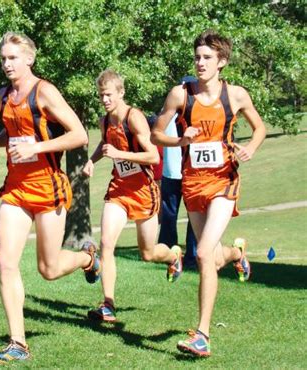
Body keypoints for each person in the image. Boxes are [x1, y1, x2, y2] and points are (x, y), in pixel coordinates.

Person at [0, 32, 100, 363]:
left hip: (49, 187)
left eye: (13, 58)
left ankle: (88, 259)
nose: (6, 64)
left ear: (29, 59)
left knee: (48, 268)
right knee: (5, 262)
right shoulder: (3, 95)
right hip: (16, 189)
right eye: (3, 58)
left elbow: (79, 134)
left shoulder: (45, 91)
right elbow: (13, 135)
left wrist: (38, 147)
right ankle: (18, 342)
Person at [152, 30, 266, 357]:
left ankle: (202, 335)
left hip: (224, 181)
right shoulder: (180, 95)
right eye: (197, 57)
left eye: (207, 58)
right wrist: (181, 141)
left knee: (201, 254)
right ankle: (235, 255)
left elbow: (259, 128)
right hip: (193, 183)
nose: (200, 63)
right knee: (212, 257)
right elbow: (157, 134)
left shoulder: (236, 96)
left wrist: (252, 148)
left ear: (222, 62)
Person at [82, 69, 183, 323]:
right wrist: (92, 161)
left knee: (147, 254)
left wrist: (120, 154)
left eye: (108, 95)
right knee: (106, 243)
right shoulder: (104, 121)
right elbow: (104, 144)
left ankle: (173, 256)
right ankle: (108, 304)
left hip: (143, 191)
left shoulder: (134, 117)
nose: (104, 100)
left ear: (121, 92)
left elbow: (153, 156)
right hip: (119, 189)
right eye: (101, 96)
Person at [157, 77, 198, 269]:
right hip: (172, 171)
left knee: (191, 215)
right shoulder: (171, 110)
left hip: (188, 170)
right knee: (170, 215)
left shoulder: (191, 112)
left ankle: (190, 254)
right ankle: (169, 253)